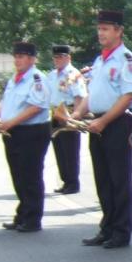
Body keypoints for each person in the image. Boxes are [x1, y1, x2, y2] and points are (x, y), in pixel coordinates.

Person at [73, 9, 132, 249]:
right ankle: (107, 227)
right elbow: (94, 93)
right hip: (98, 123)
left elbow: (128, 96)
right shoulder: (100, 60)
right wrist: (79, 112)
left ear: (119, 31)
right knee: (103, 178)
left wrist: (103, 121)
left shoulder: (127, 60)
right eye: (99, 28)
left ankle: (121, 231)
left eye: (105, 29)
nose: (100, 33)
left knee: (119, 179)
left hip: (117, 123)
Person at [0, 42, 52, 232]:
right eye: (16, 56)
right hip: (13, 131)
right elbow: (6, 102)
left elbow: (36, 107)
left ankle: (33, 219)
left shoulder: (37, 78)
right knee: (18, 175)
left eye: (22, 56)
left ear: (32, 59)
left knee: (30, 175)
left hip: (32, 132)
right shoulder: (14, 79)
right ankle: (23, 214)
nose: (17, 60)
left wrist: (11, 122)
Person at [48, 45, 87, 195]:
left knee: (70, 150)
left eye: (60, 57)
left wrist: (75, 117)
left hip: (69, 112)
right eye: (55, 57)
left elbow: (79, 96)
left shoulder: (73, 74)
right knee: (59, 148)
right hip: (55, 113)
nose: (57, 60)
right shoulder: (52, 75)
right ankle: (65, 181)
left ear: (68, 58)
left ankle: (73, 182)